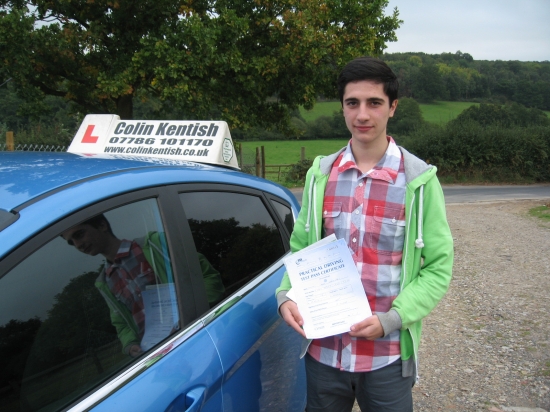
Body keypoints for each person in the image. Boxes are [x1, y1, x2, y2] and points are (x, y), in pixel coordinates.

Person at [276, 56, 454, 411]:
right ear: (342, 107)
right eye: (352, 103)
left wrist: (392, 319)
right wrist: (285, 296)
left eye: (374, 103)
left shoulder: (419, 183)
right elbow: (300, 252)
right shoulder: (320, 177)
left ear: (393, 108)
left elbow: (437, 268)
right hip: (324, 353)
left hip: (386, 359)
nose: (362, 115)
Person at [62, 214, 225, 357]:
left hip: (201, 337)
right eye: (71, 242)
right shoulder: (104, 282)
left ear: (102, 225)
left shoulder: (155, 245)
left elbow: (208, 277)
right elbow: (121, 324)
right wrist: (130, 345)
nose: (78, 245)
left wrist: (188, 317)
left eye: (79, 234)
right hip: (162, 359)